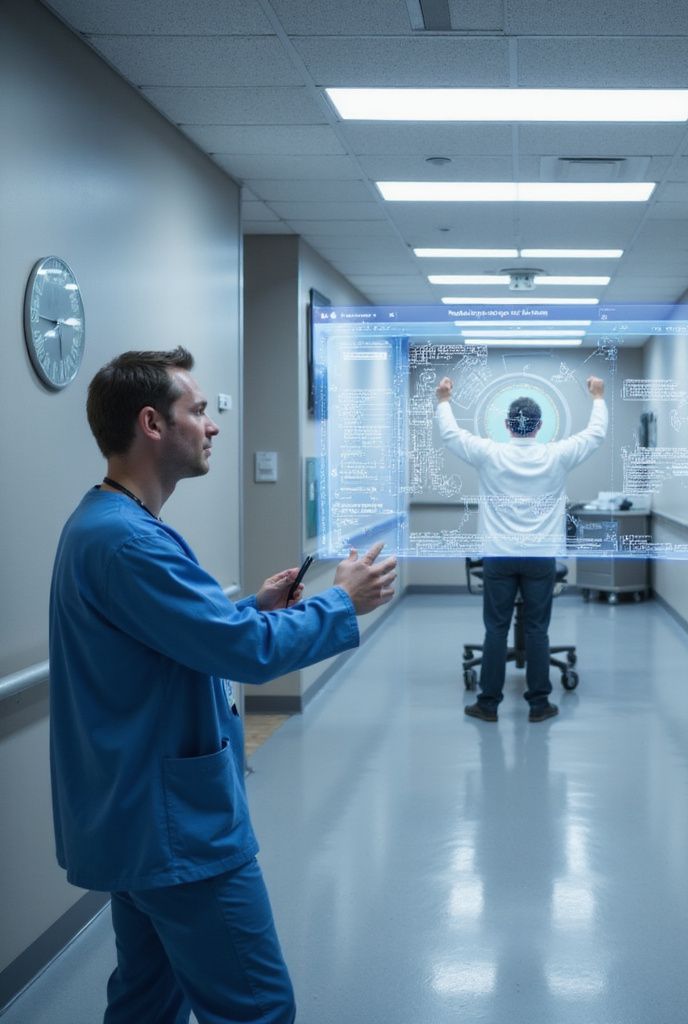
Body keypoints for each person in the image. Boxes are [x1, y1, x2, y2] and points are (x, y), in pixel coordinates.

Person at [49, 347, 397, 1024]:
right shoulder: (129, 543)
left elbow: (176, 641)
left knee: (148, 1000)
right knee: (256, 1008)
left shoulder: (107, 524)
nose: (212, 425)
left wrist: (252, 610)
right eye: (199, 410)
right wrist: (339, 603)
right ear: (153, 423)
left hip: (134, 816)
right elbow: (246, 655)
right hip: (175, 831)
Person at [436, 375, 607, 722]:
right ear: (539, 426)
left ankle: (487, 704)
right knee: (537, 630)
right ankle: (539, 704)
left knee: (495, 628)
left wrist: (443, 400)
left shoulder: (490, 454)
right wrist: (598, 397)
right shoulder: (556, 456)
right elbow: (595, 435)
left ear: (506, 425)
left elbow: (452, 435)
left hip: (498, 556)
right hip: (541, 557)